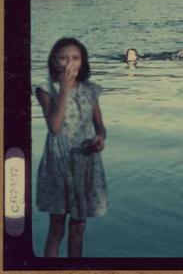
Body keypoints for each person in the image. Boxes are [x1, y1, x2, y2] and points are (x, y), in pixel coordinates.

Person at [33, 37, 107, 258]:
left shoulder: (91, 90)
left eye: (75, 58)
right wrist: (64, 90)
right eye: (63, 58)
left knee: (78, 227)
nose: (69, 63)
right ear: (54, 61)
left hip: (85, 161)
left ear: (83, 61)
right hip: (58, 161)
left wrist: (100, 139)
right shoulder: (46, 90)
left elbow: (100, 125)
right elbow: (55, 127)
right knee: (57, 227)